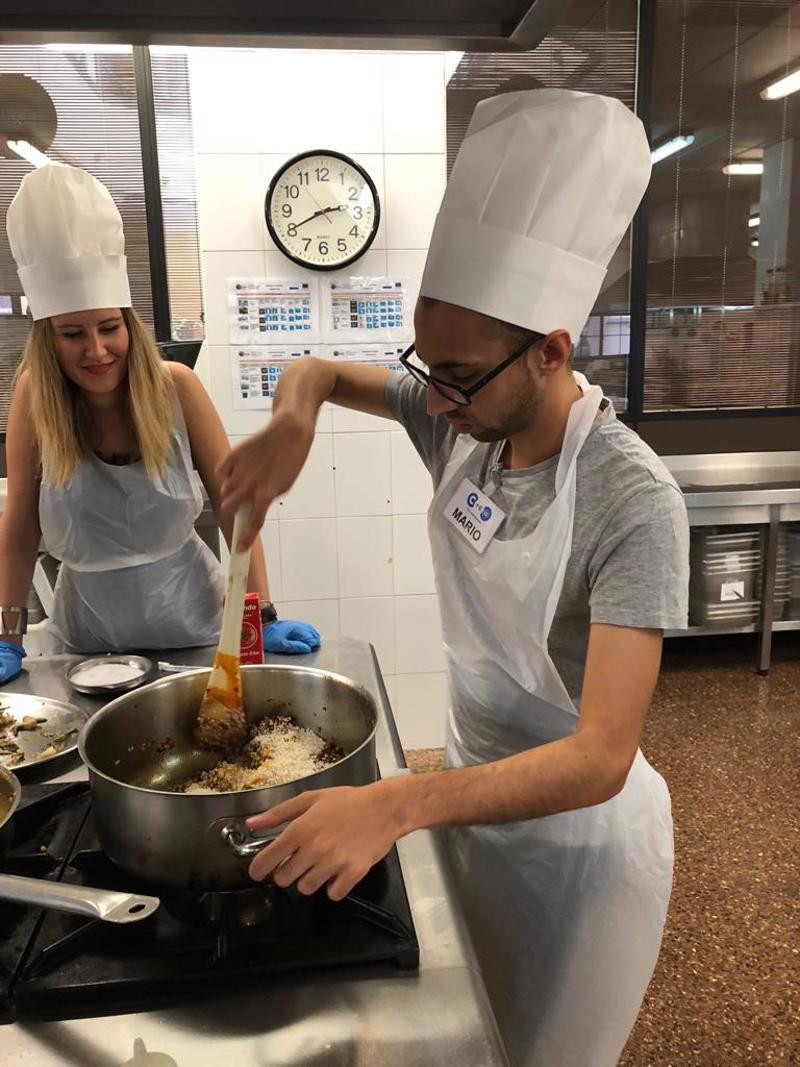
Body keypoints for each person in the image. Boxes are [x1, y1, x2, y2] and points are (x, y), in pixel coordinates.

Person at [217, 90, 690, 1066]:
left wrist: (399, 799)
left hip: (582, 845)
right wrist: (293, 418)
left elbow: (600, 754)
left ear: (550, 350)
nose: (434, 398)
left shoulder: (630, 500)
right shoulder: (460, 419)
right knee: (479, 1035)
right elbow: (312, 367)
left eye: (459, 375)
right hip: (474, 807)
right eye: (425, 366)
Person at [0, 163, 319, 682]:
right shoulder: (35, 396)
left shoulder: (176, 388)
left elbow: (236, 505)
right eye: (72, 334)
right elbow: (19, 525)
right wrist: (7, 636)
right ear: (48, 337)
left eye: (109, 328)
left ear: (129, 324)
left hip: (195, 625)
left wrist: (260, 616)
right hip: (87, 640)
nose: (97, 350)